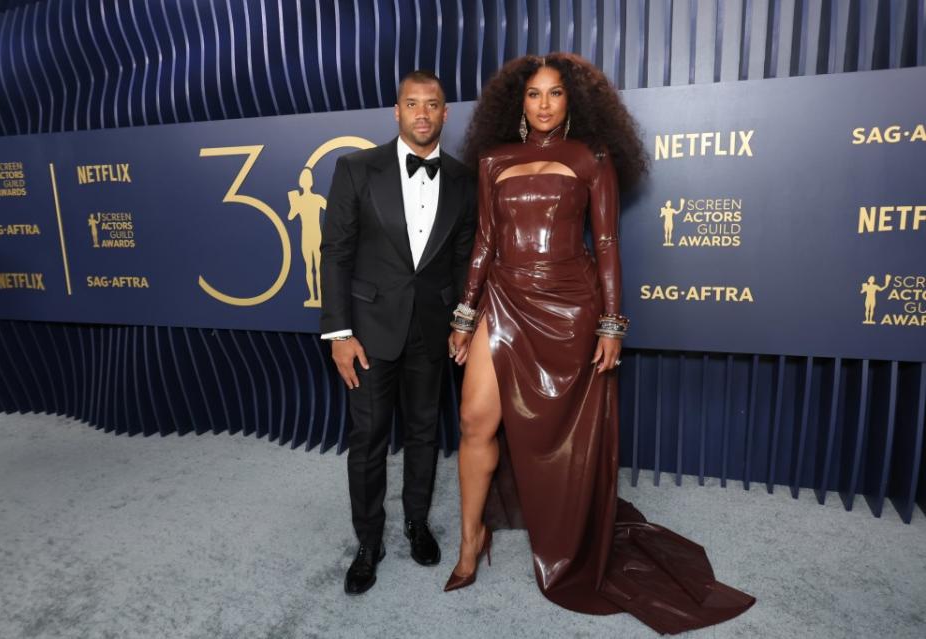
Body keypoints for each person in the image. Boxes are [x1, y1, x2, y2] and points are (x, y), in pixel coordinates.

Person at [444, 53, 754, 634]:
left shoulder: (591, 157)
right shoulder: (493, 161)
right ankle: (470, 540)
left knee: (565, 429)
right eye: (533, 94)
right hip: (505, 299)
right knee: (473, 421)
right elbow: (485, 242)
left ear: (572, 101)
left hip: (570, 305)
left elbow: (607, 242)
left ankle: (566, 527)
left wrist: (612, 322)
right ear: (517, 102)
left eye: (554, 94)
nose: (542, 105)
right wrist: (465, 313)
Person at [320, 70, 477, 595]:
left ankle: (416, 522)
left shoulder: (461, 179)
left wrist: (461, 323)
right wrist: (339, 332)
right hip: (366, 331)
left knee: (425, 433)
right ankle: (369, 542)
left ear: (446, 112)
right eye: (412, 104)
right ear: (397, 110)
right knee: (367, 439)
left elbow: (460, 261)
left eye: (433, 104)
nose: (423, 114)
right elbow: (336, 254)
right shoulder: (356, 168)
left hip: (431, 330)